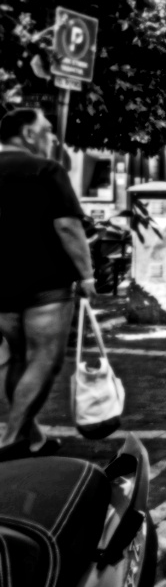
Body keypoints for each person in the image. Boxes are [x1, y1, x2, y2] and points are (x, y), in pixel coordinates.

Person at [0, 108, 95, 458]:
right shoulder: (46, 169)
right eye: (47, 130)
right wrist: (87, 274)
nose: (53, 138)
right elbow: (67, 226)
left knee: (18, 359)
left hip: (2, 284)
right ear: (28, 134)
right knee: (45, 359)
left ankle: (33, 439)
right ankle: (11, 440)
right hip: (46, 283)